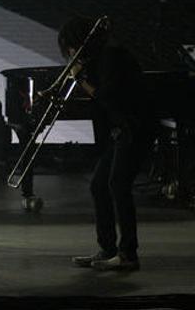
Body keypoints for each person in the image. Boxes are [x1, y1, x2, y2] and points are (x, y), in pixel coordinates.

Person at [60, 16, 156, 271]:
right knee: (99, 185)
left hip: (135, 127)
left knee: (118, 185)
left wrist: (80, 79)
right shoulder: (101, 58)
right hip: (122, 130)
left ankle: (128, 254)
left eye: (71, 47)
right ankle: (108, 249)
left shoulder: (111, 56)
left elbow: (106, 96)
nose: (71, 53)